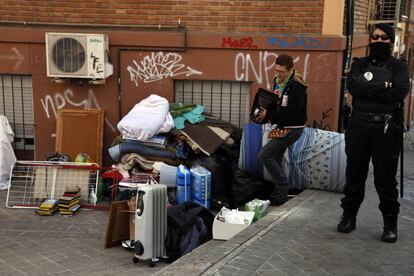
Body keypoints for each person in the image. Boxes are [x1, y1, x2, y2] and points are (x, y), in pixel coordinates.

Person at [338, 23, 409, 243]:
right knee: (354, 174)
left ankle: (390, 223)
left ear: (391, 41)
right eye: (375, 37)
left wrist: (374, 90)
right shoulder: (360, 64)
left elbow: (398, 92)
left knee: (385, 179)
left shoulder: (399, 67)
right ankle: (349, 216)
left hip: (387, 126)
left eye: (383, 38)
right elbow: (353, 88)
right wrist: (383, 86)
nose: (378, 41)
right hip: (359, 125)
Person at [255, 54, 308, 205]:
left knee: (265, 155)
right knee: (276, 157)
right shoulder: (278, 81)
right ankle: (281, 192)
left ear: (290, 70)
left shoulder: (296, 86)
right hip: (282, 126)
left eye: (282, 72)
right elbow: (276, 101)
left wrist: (270, 114)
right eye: (276, 70)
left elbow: (292, 112)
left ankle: (283, 185)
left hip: (293, 128)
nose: (278, 74)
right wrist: (264, 108)